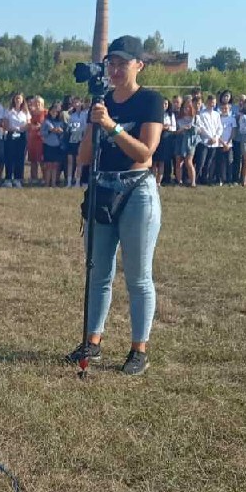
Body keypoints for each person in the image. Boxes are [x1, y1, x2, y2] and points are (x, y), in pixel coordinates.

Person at [66, 36, 163, 376]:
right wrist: (93, 125)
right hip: (102, 188)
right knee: (97, 273)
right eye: (112, 63)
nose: (117, 69)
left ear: (139, 65)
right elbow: (84, 157)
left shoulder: (150, 101)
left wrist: (111, 125)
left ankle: (139, 349)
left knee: (138, 276)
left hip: (136, 190)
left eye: (124, 63)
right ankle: (92, 340)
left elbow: (145, 152)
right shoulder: (102, 102)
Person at [1, 92, 29, 187]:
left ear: (22, 100)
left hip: (21, 136)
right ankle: (8, 179)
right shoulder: (8, 111)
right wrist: (12, 128)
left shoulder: (25, 112)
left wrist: (20, 129)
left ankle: (17, 179)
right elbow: (5, 124)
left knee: (19, 158)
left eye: (19, 98)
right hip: (10, 135)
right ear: (13, 99)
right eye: (16, 98)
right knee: (9, 157)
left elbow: (28, 124)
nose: (18, 100)